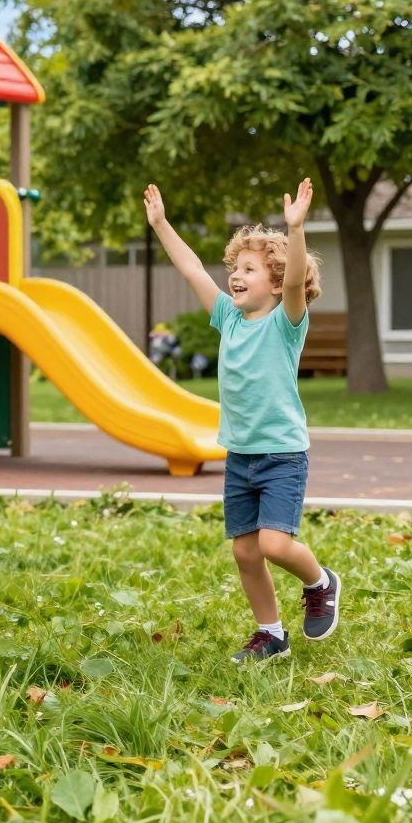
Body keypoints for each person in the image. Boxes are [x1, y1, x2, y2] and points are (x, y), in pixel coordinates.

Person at [144, 179, 341, 663]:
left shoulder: (285, 321)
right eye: (234, 267)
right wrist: (161, 225)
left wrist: (295, 229)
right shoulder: (227, 319)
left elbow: (295, 280)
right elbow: (191, 267)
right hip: (241, 456)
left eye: (249, 269)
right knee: (246, 553)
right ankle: (270, 634)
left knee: (274, 544)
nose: (235, 274)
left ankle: (320, 582)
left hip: (280, 454)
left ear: (273, 284)